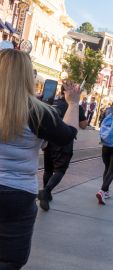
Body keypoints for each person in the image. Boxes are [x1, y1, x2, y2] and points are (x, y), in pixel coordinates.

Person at [0, 49, 79, 269]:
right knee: (10, 260)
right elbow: (67, 136)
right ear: (28, 76)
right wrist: (73, 104)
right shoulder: (38, 112)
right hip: (18, 192)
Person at [38, 85, 88, 211]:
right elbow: (83, 125)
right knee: (60, 170)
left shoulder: (53, 103)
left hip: (49, 140)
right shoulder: (76, 106)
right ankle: (46, 191)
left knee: (48, 169)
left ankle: (46, 193)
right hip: (64, 142)